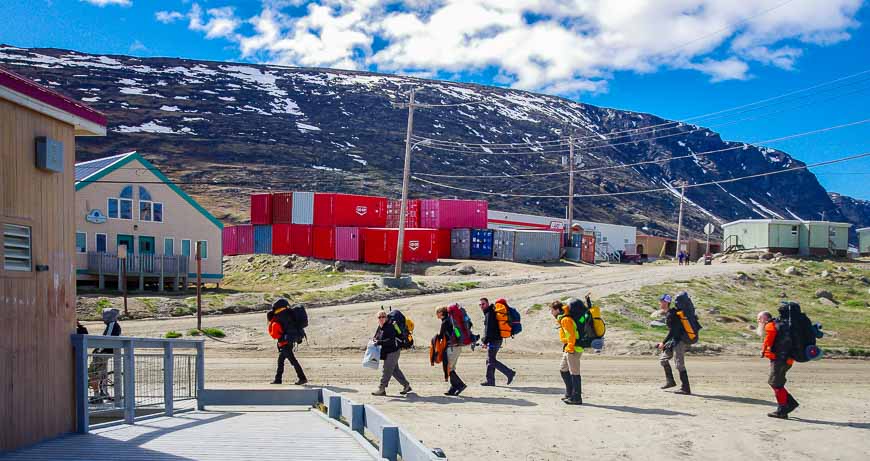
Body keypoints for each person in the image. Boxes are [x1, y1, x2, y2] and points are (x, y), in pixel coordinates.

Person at [758, 309, 799, 419]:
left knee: (775, 383)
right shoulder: (782, 325)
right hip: (788, 359)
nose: (758, 321)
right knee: (777, 382)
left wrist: (763, 350)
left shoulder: (771, 326)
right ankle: (789, 404)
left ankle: (783, 409)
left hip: (779, 360)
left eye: (759, 319)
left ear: (764, 318)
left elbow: (769, 340)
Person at [550, 300, 584, 405]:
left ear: (556, 310)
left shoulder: (565, 319)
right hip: (569, 348)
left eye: (551, 310)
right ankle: (569, 393)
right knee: (563, 369)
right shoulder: (563, 318)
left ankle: (577, 397)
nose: (551, 313)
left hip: (573, 348)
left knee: (575, 373)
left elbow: (571, 335)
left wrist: (570, 348)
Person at [372, 310, 412, 396]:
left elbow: (391, 341)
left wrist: (379, 342)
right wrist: (375, 340)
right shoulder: (380, 326)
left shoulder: (390, 326)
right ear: (377, 319)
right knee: (394, 370)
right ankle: (406, 386)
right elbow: (377, 336)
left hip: (393, 351)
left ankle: (381, 389)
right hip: (389, 351)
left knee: (386, 370)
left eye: (383, 317)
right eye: (380, 317)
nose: (382, 318)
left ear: (386, 317)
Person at [657, 294, 691, 395]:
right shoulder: (670, 313)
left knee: (679, 364)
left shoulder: (672, 314)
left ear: (666, 302)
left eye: (661, 301)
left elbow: (673, 331)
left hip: (679, 341)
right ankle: (670, 381)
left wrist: (663, 342)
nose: (660, 303)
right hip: (674, 341)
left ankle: (686, 388)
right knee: (663, 359)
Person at [268, 299, 308, 386]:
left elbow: (275, 335)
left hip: (284, 344)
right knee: (280, 361)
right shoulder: (286, 316)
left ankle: (302, 378)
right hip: (288, 342)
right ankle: (278, 379)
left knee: (293, 361)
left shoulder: (277, 320)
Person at [479, 298, 516, 386]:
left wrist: (485, 342)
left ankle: (509, 373)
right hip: (496, 339)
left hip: (494, 340)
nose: (481, 306)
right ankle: (490, 381)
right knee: (490, 359)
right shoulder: (491, 312)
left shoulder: (489, 313)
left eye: (483, 304)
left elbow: (489, 330)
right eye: (480, 305)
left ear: (487, 303)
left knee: (491, 360)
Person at [88, 308, 122, 402]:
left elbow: (107, 339)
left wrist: (98, 350)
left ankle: (97, 395)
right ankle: (104, 393)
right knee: (102, 373)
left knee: (92, 373)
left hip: (103, 353)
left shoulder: (112, 325)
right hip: (107, 352)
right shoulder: (115, 325)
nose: (103, 318)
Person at [436, 306, 467, 396]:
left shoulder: (445, 322)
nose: (436, 315)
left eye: (437, 313)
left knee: (448, 368)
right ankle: (453, 388)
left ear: (441, 313)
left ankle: (460, 385)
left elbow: (441, 336)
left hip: (452, 347)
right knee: (451, 368)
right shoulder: (450, 320)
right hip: (457, 346)